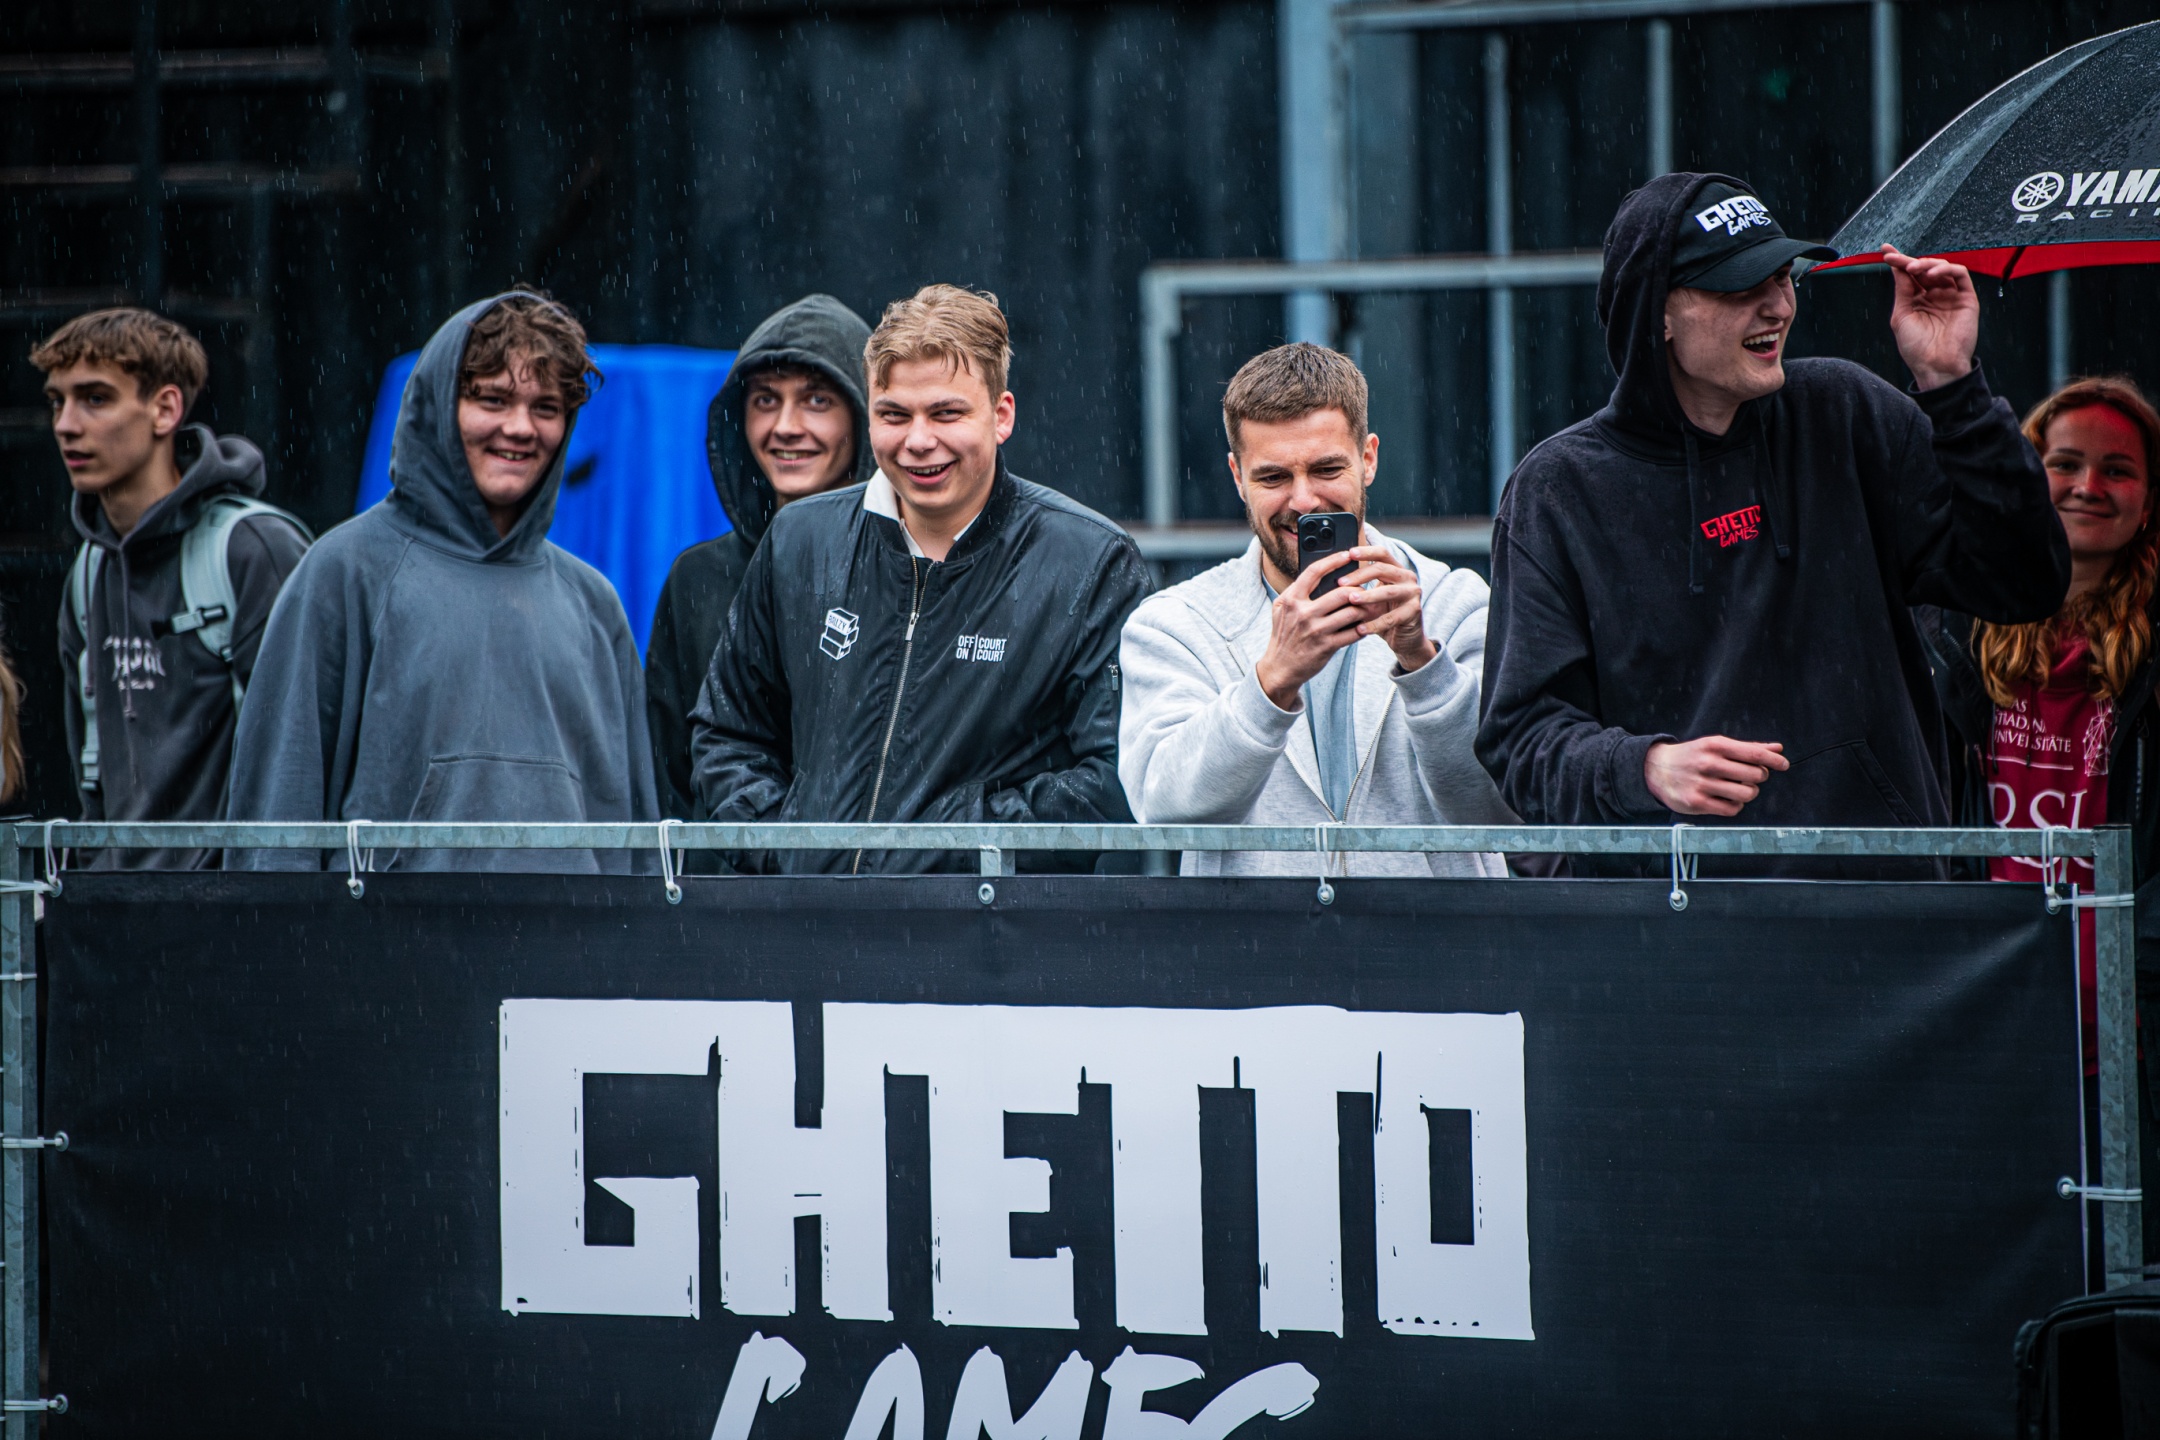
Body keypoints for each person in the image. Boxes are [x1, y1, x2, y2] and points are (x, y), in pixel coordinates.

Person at [1476, 173, 2069, 875]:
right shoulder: (1558, 490)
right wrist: (1645, 767)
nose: (1779, 306)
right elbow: (1521, 741)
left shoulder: (1847, 413)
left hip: (1883, 902)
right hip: (1674, 918)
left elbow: (2024, 582)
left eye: (1784, 277)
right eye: (1740, 288)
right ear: (1657, 313)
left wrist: (1953, 385)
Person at [689, 283, 1152, 873]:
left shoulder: (1090, 561)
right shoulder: (799, 540)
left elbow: (1119, 775)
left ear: (1001, 415)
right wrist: (788, 855)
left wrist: (956, 850)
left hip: (987, 925)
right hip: (809, 921)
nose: (918, 440)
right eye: (894, 415)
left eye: (946, 413)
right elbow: (727, 735)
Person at [227, 292, 657, 871]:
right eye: (493, 399)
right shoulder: (344, 572)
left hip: (570, 932)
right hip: (393, 932)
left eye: (546, 407)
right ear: (437, 405)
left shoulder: (593, 603)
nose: (520, 427)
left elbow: (632, 840)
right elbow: (278, 818)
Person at [1117, 343, 1513, 876]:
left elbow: (1495, 808)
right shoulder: (1175, 624)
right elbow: (1165, 810)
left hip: (1430, 929)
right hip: (1260, 931)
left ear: (1368, 459)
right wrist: (1270, 684)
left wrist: (1423, 664)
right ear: (1237, 477)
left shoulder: (1455, 602)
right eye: (1273, 477)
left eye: (1326, 469)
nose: (1304, 501)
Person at [1918, 376, 2160, 1072]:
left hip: (2131, 1034)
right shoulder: (1946, 632)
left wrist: (2137, 969)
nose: (2088, 486)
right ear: (2026, 479)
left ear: (2149, 503)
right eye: (2065, 463)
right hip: (1981, 1009)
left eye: (2117, 470)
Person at [34, 308, 310, 869]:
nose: (66, 424)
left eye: (95, 398)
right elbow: (93, 784)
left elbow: (304, 763)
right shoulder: (88, 572)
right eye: (57, 401)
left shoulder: (252, 549)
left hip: (238, 908)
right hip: (118, 908)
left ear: (165, 409)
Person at [646, 294, 874, 831]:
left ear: (864, 415)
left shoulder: (910, 571)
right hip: (720, 880)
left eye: (817, 400)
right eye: (766, 400)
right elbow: (667, 774)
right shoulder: (696, 579)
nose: (786, 426)